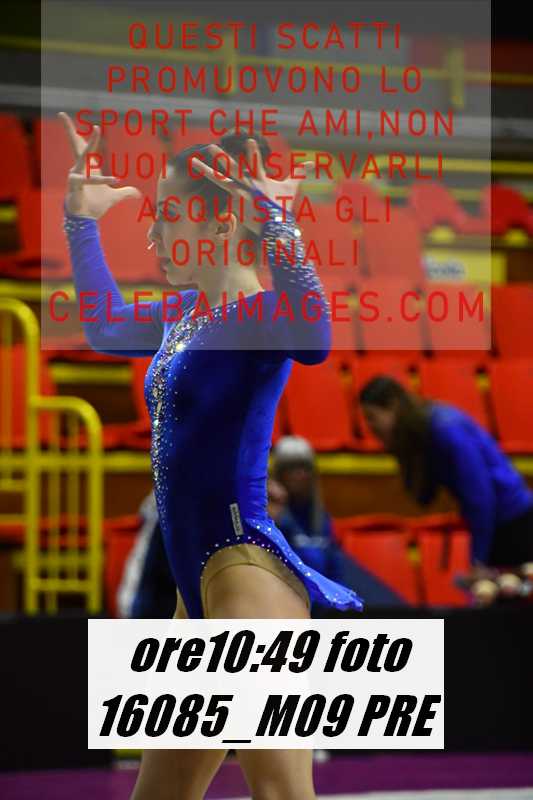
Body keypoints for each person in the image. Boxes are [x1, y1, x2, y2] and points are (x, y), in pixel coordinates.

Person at [60, 112, 363, 800]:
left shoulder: (256, 318)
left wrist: (275, 221)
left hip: (246, 578)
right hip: (196, 592)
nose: (152, 233)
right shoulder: (184, 314)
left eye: (168, 215)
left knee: (280, 792)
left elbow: (315, 337)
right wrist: (80, 222)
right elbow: (104, 327)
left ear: (219, 220)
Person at [359, 375, 533, 569]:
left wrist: (478, 560)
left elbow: (480, 496)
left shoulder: (445, 430)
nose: (370, 427)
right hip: (501, 522)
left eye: (372, 417)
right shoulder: (425, 430)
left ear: (393, 405)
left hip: (513, 524)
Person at [271, 435, 407, 606]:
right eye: (291, 468)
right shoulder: (272, 518)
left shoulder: (321, 518)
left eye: (304, 467)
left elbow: (335, 569)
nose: (299, 475)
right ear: (279, 475)